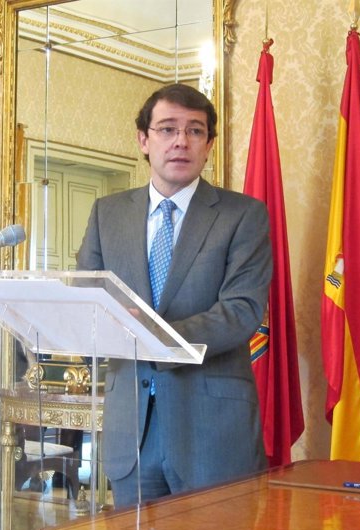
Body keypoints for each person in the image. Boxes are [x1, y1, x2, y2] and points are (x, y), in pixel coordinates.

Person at [76, 83, 273, 507]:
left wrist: (152, 333)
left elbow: (242, 311)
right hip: (132, 431)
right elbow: (87, 300)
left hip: (212, 432)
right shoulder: (107, 214)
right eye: (167, 129)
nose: (181, 141)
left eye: (195, 131)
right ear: (143, 141)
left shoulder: (244, 215)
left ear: (209, 145)